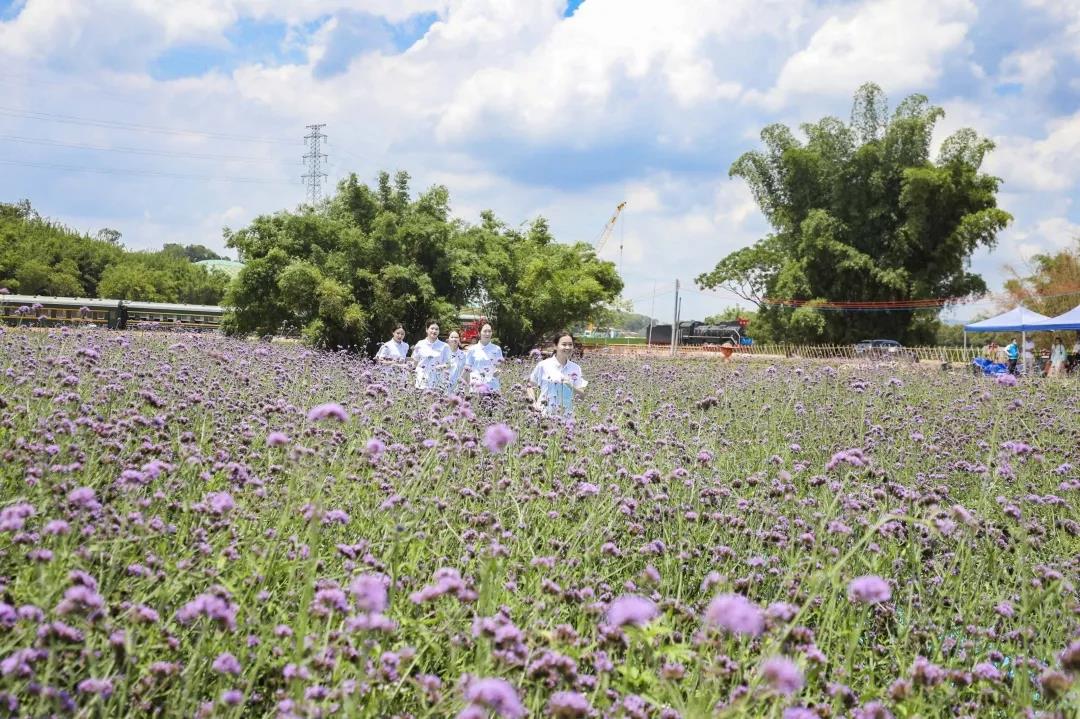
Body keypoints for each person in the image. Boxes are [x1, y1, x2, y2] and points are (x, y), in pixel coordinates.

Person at [527, 332, 587, 418]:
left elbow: (581, 396)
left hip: (566, 419)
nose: (568, 347)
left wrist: (570, 386)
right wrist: (533, 404)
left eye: (570, 344)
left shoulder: (576, 368)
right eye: (564, 344)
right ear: (555, 346)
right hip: (544, 415)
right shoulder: (543, 365)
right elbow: (530, 386)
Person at [463, 323, 504, 395]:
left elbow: (499, 367)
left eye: (489, 331)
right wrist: (463, 388)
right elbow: (467, 369)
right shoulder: (472, 349)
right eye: (485, 331)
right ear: (479, 333)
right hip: (476, 388)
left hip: (493, 388)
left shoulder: (497, 349)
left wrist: (498, 371)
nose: (487, 334)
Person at [410, 321, 451, 390]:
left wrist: (440, 366)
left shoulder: (445, 346)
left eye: (436, 329)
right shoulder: (420, 344)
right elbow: (415, 362)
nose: (434, 331)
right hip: (421, 381)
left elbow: (448, 364)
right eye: (432, 328)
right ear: (427, 330)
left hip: (436, 381)